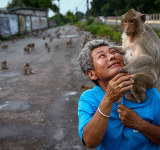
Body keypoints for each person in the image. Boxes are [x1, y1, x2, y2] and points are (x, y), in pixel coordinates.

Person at [77, 40, 160, 150]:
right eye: (102, 56)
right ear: (91, 74)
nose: (112, 56)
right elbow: (90, 142)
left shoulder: (148, 92)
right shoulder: (89, 99)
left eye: (113, 52)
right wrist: (108, 98)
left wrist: (139, 124)